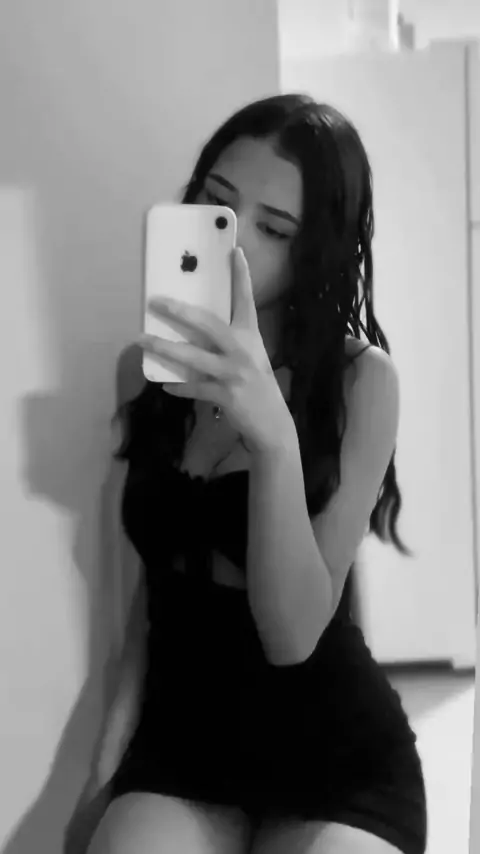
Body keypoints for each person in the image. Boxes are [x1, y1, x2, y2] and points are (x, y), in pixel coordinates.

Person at [85, 94, 427, 854]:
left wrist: (273, 437)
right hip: (184, 747)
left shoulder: (361, 382)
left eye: (274, 229)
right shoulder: (146, 373)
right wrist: (100, 776)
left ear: (316, 251)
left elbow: (295, 634)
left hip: (336, 757)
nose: (235, 242)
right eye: (217, 205)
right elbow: (153, 601)